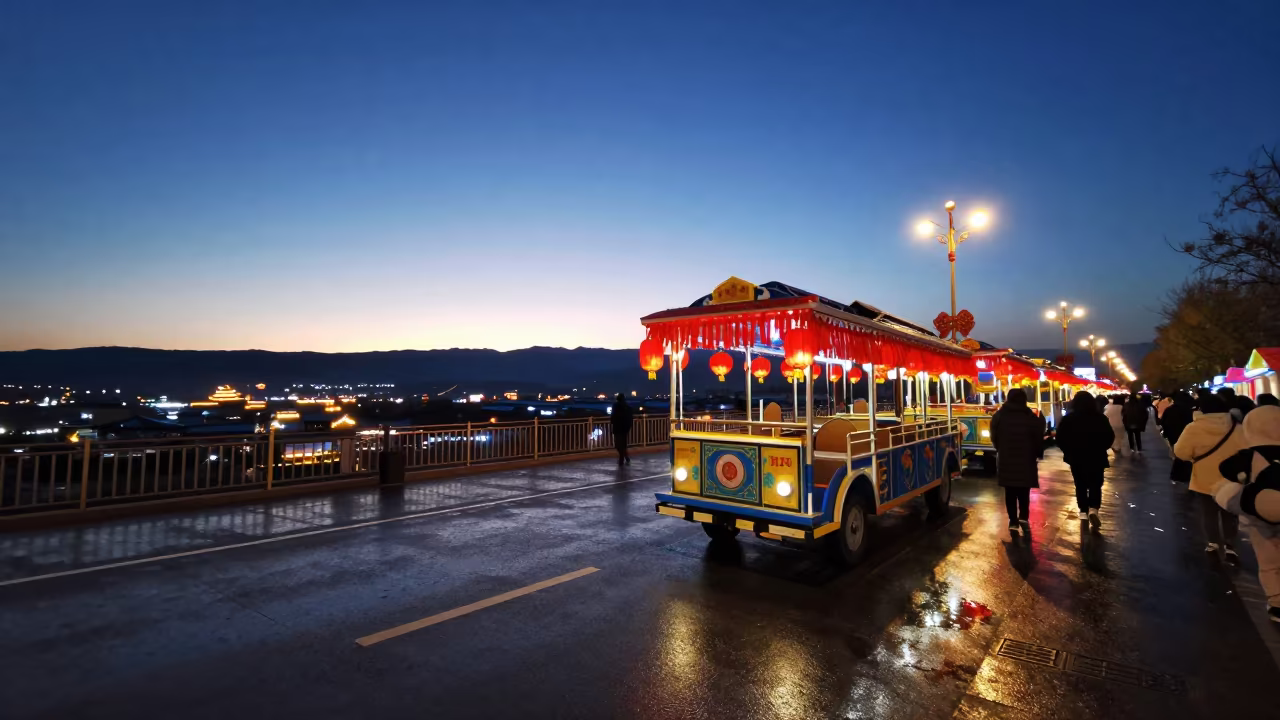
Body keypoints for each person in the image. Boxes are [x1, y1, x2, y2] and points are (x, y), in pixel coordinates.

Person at [1216, 404, 1280, 622]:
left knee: (1269, 562)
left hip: (1261, 515)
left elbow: (1225, 468)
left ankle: (1277, 604)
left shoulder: (1249, 455)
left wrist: (1243, 478)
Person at [1174, 395, 1249, 561]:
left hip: (1204, 477)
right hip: (1231, 478)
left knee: (1208, 512)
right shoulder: (1236, 426)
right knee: (1230, 511)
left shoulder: (1194, 428)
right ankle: (1230, 544)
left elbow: (1181, 452)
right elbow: (1247, 450)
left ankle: (1212, 542)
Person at [990, 388, 1046, 533]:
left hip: (1006, 458)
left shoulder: (999, 416)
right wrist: (1036, 453)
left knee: (1010, 491)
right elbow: (1038, 437)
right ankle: (1023, 517)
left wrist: (1001, 449)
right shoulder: (1030, 416)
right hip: (1026, 459)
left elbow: (994, 437)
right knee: (1024, 490)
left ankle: (1013, 521)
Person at [1056, 391, 1115, 524]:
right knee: (1096, 484)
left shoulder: (1069, 419)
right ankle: (1093, 508)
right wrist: (1101, 448)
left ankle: (1083, 511)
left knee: (1080, 484)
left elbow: (1060, 438)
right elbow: (1109, 436)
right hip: (1096, 456)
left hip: (1076, 457)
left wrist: (1068, 451)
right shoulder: (1100, 418)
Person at [1161, 391, 1195, 483]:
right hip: (1186, 435)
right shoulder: (1189, 410)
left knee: (1178, 455)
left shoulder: (1169, 410)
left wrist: (1167, 433)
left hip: (1173, 436)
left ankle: (1176, 475)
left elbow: (1164, 422)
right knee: (1185, 455)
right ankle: (1182, 475)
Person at [610, 393, 633, 466]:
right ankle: (625, 457)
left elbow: (613, 416)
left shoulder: (615, 405)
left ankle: (622, 458)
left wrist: (612, 421)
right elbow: (630, 417)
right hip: (625, 428)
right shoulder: (627, 406)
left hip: (617, 427)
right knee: (623, 443)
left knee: (618, 444)